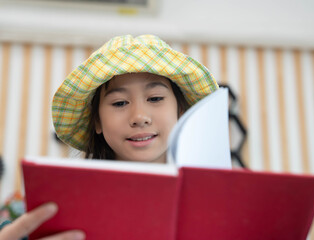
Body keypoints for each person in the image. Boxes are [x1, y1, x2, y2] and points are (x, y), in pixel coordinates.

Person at [0, 34, 218, 239]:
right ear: (97, 122)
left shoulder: (217, 201)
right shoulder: (52, 211)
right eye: (120, 103)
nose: (139, 117)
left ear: (181, 112)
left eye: (155, 98)